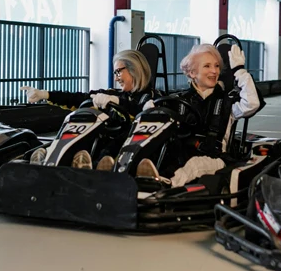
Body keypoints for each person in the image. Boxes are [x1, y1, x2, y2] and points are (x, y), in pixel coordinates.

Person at [136, 42, 262, 187]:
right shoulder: (178, 100)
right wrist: (149, 109)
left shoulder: (227, 102)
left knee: (196, 164)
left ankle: (165, 185)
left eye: (216, 66)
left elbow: (252, 103)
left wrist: (240, 71)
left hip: (214, 158)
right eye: (207, 66)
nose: (214, 71)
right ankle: (128, 177)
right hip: (182, 155)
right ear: (192, 73)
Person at [20, 49, 158, 170]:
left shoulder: (152, 98)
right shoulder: (113, 94)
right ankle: (54, 157)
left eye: (118, 72)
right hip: (102, 143)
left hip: (125, 150)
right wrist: (45, 94)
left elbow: (143, 113)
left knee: (109, 147)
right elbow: (78, 98)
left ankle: (95, 167)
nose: (116, 78)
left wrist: (117, 102)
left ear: (134, 69)